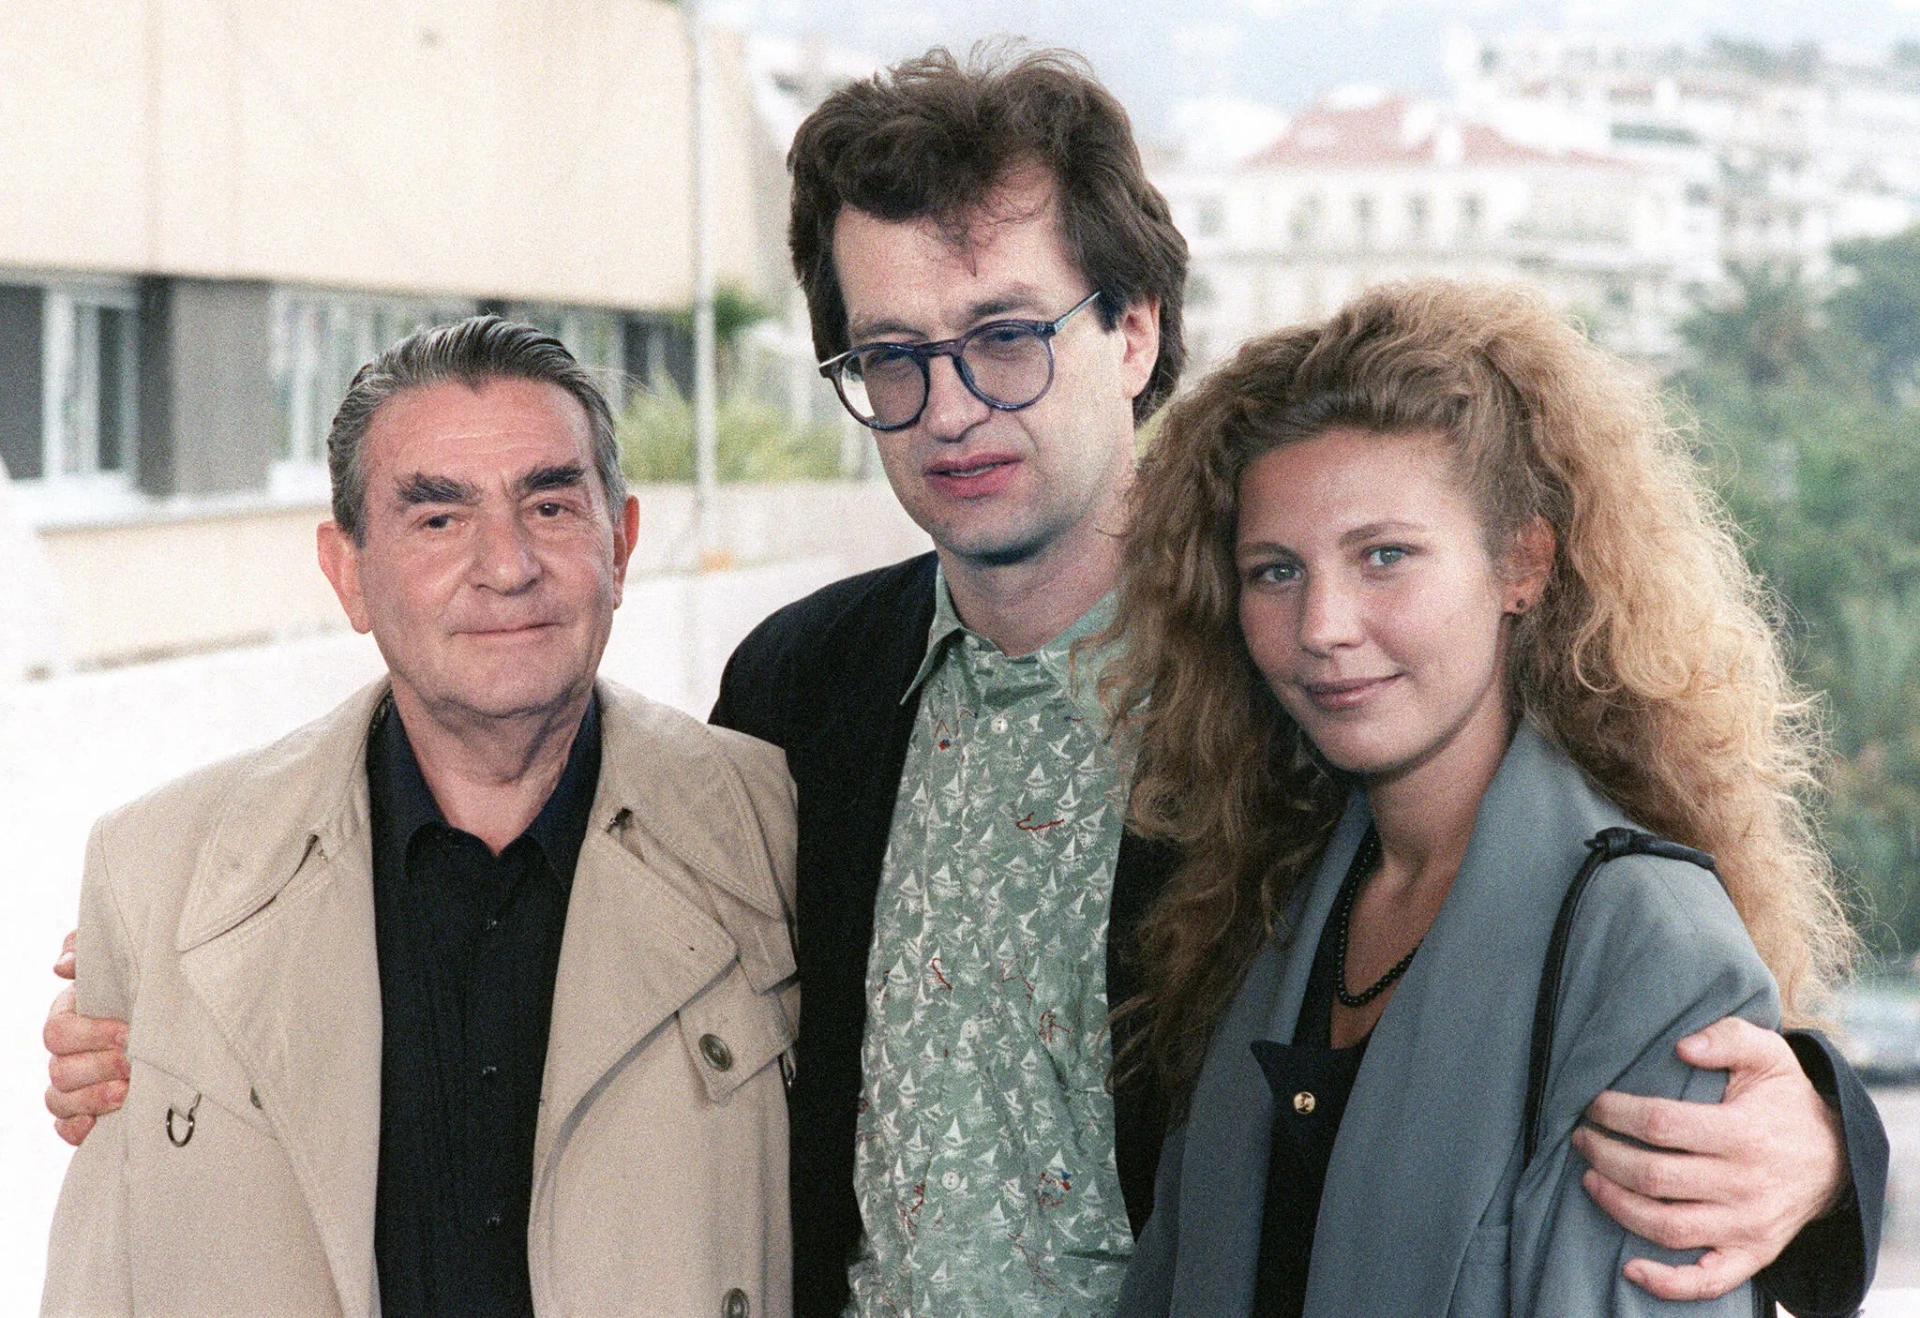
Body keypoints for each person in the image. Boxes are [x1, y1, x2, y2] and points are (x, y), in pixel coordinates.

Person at [47, 48, 1881, 1318]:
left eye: (1008, 337)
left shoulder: (1307, 670)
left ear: (1136, 327)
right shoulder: (801, 688)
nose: (953, 412)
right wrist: (174, 1025)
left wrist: (1818, 1138)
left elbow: (1591, 930)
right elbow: (560, 949)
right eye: (893, 360)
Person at [1105, 279, 1883, 1316]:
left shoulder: (1646, 943)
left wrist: (1833, 1150)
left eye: (1385, 556)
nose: (1325, 624)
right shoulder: (1259, 904)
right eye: (1275, 571)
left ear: (1522, 564)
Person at [41, 316, 799, 1318]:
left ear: (619, 543)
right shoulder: (160, 874)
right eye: (438, 519)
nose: (507, 564)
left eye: (552, 504)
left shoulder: (778, 827)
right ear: (348, 571)